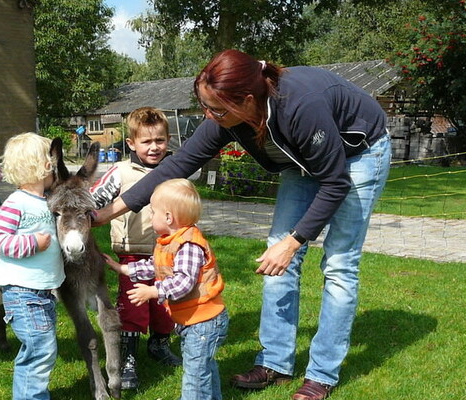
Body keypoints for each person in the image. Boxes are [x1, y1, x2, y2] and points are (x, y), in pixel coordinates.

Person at [93, 49, 392, 400]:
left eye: (215, 109)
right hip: (303, 162)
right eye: (204, 106)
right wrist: (102, 214)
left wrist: (295, 240)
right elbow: (178, 165)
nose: (209, 116)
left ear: (248, 100)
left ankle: (321, 374)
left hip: (358, 154)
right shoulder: (226, 113)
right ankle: (276, 363)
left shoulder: (301, 106)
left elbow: (335, 182)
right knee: (276, 260)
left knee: (339, 265)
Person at [103, 178, 229, 400]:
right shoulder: (169, 241)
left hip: (204, 323)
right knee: (204, 369)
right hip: (195, 320)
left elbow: (183, 282)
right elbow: (155, 266)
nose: (151, 217)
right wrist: (122, 268)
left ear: (168, 217)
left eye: (153, 212)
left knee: (194, 375)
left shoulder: (189, 245)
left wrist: (153, 292)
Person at [89, 107, 183, 390]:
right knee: (133, 307)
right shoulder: (121, 171)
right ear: (131, 143)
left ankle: (159, 344)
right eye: (146, 141)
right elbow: (95, 199)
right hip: (133, 254)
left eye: (160, 140)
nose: (154, 147)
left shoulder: (176, 169)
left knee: (166, 305)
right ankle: (128, 358)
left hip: (170, 253)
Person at [0, 132, 63, 400]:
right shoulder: (17, 202)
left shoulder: (46, 201)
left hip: (41, 293)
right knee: (40, 349)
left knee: (41, 348)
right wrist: (32, 243)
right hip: (23, 292)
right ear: (45, 166)